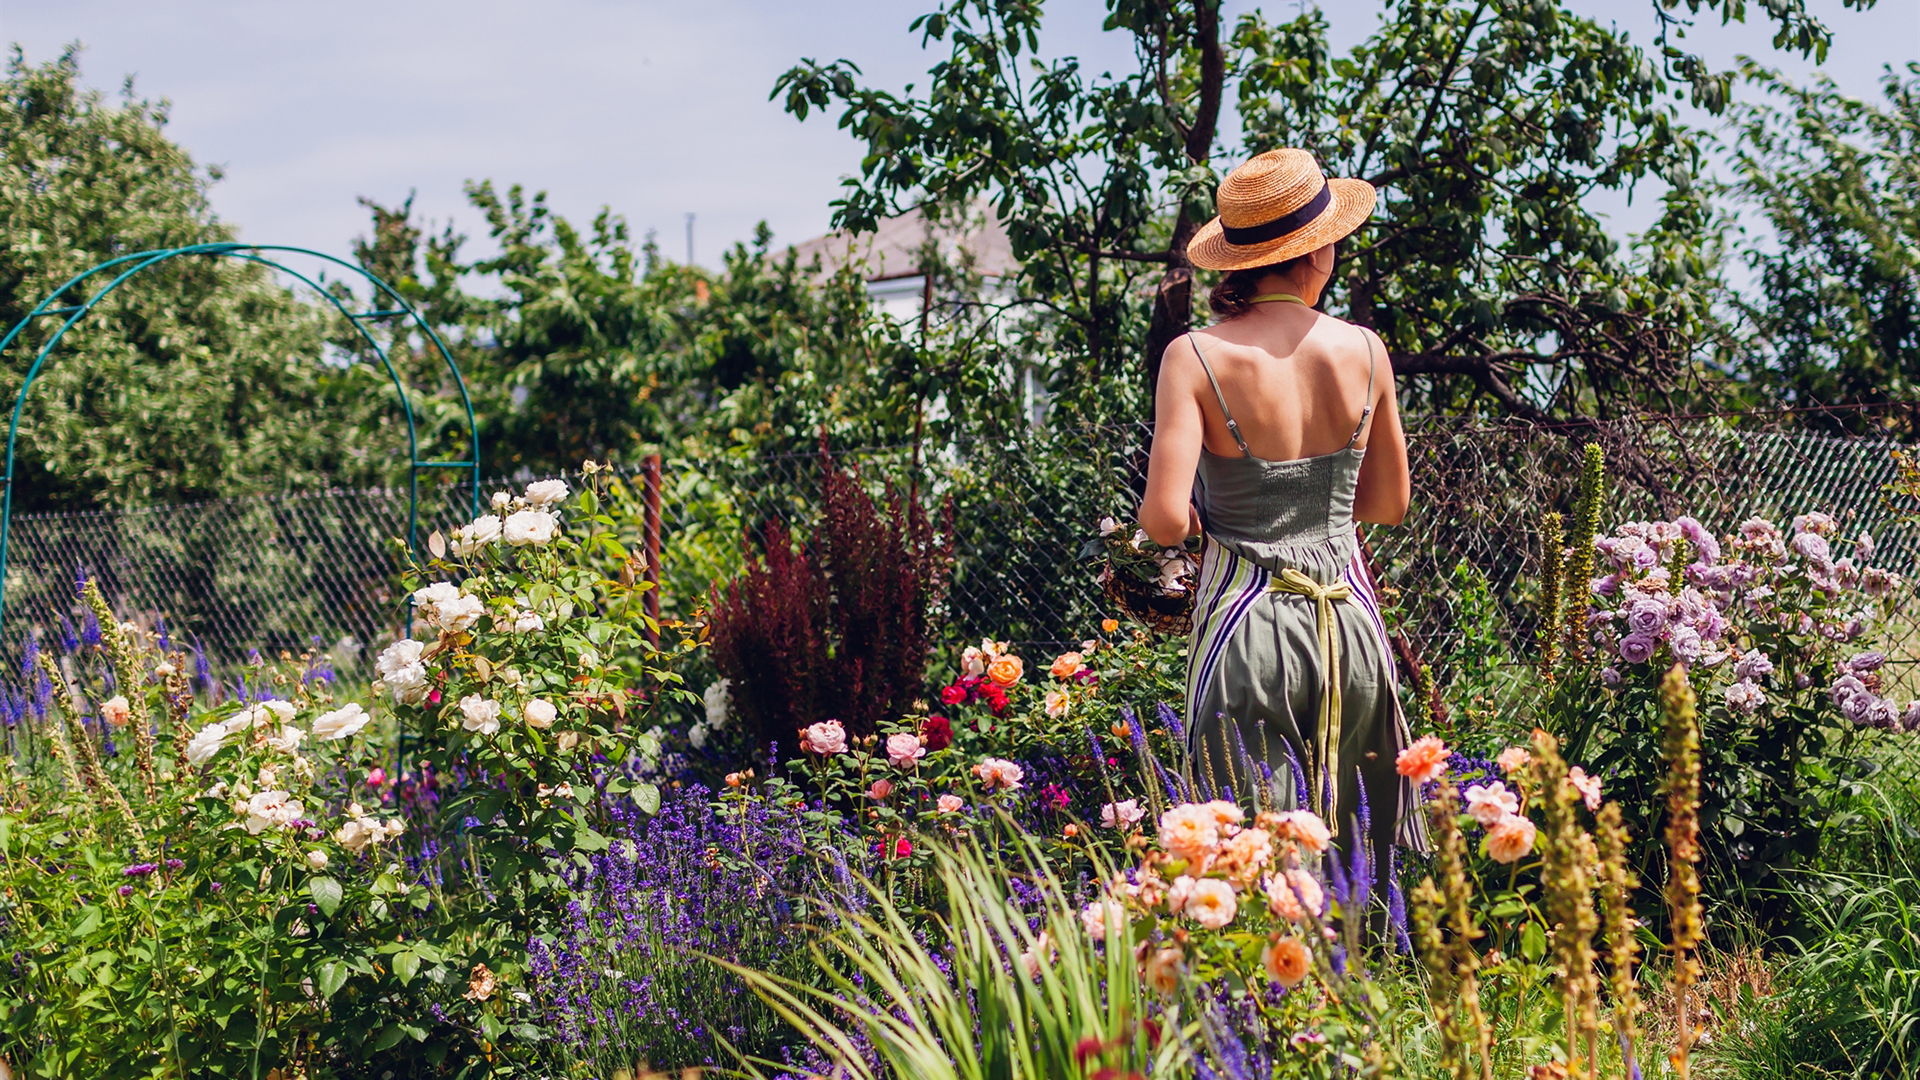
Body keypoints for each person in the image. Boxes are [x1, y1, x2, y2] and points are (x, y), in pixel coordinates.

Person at [1139, 148, 1428, 858]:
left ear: (1237, 260)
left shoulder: (1195, 356)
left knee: (1247, 859)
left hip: (1248, 631)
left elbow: (1165, 519)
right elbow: (1390, 504)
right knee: (1363, 854)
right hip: (1352, 631)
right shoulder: (1365, 350)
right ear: (1319, 252)